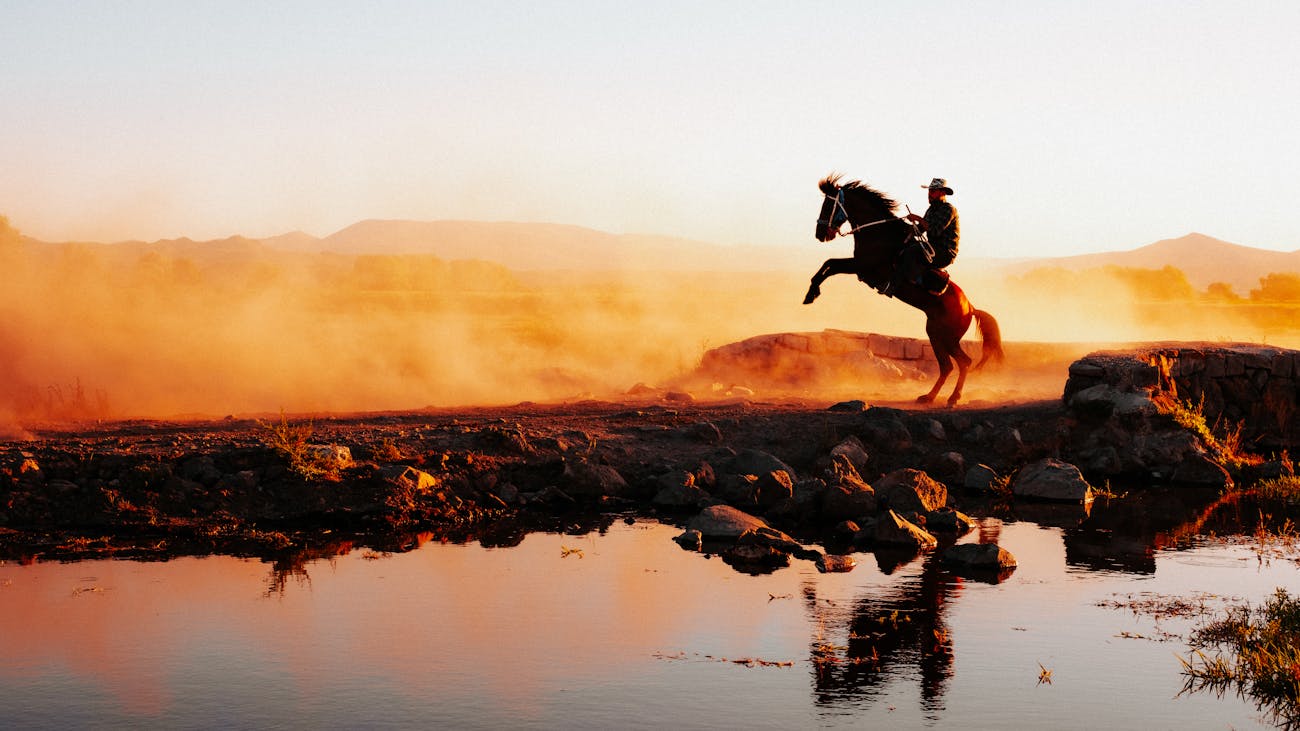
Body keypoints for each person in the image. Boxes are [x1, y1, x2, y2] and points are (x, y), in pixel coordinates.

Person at [887, 177, 959, 296]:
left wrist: (918, 218)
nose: (929, 194)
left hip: (945, 252)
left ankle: (895, 286)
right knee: (904, 245)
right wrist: (899, 225)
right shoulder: (931, 210)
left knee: (912, 251)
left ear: (942, 193)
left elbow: (935, 231)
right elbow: (919, 230)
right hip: (932, 249)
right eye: (929, 191)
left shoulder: (949, 209)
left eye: (933, 191)